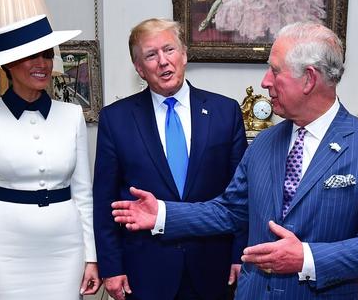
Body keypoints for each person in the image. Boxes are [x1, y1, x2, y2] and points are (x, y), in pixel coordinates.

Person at [112, 21, 358, 298]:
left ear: (309, 79)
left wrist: (306, 258)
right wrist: (163, 215)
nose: (265, 82)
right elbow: (229, 211)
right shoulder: (265, 142)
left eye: (275, 71)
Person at [93, 18, 248, 300]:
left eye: (169, 49)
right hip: (145, 269)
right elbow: (105, 201)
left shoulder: (225, 112)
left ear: (184, 54)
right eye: (151, 55)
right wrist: (111, 266)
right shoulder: (116, 119)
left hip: (213, 266)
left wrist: (240, 254)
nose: (163, 61)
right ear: (139, 68)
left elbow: (241, 196)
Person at [0, 15, 100, 299]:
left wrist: (91, 257)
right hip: (6, 251)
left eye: (47, 55)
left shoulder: (71, 114)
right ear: (8, 65)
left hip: (66, 249)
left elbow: (84, 195)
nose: (42, 64)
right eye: (31, 56)